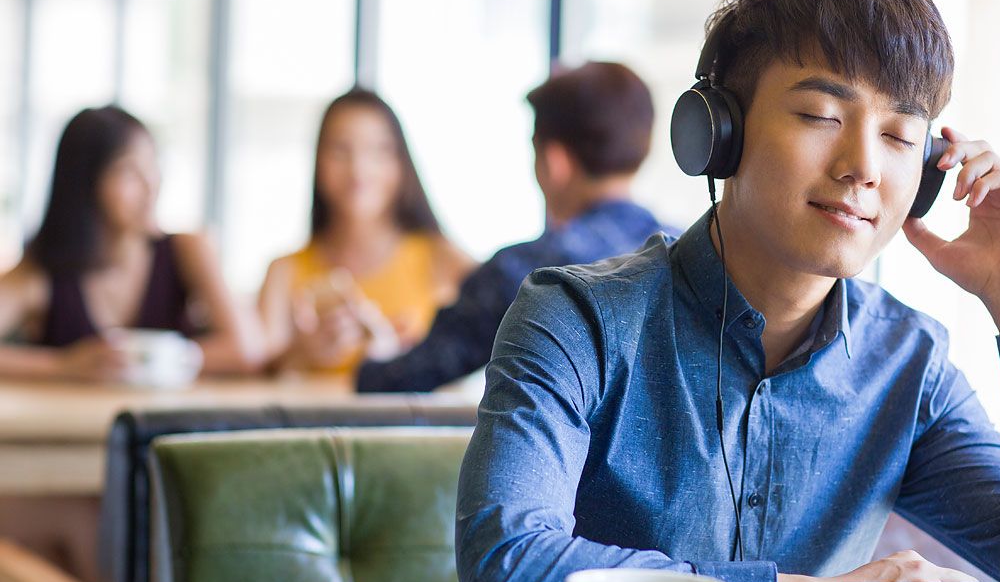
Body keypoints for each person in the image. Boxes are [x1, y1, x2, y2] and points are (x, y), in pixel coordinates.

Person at [456, 0, 1000, 582]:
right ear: (716, 133)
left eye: (900, 135)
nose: (863, 168)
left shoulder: (906, 363)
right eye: (819, 114)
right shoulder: (576, 321)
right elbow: (507, 573)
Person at [355, 61, 670, 393]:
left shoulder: (525, 273)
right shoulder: (692, 252)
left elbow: (403, 377)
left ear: (554, 161)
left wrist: (377, 353)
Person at [0, 106, 261, 381]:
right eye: (129, 171)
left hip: (167, 423)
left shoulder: (187, 249)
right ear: (84, 182)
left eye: (153, 165)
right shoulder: (43, 272)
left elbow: (248, 349)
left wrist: (161, 360)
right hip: (72, 424)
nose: (152, 185)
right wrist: (63, 366)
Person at [258, 88, 475, 374]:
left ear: (401, 163)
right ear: (317, 162)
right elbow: (256, 371)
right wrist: (302, 353)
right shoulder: (283, 272)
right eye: (340, 150)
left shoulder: (443, 258)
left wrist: (413, 356)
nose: (358, 169)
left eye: (379, 151)